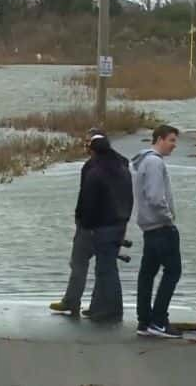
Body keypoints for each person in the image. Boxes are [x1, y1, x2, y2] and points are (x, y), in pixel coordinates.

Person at [50, 131, 133, 321]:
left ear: (92, 149)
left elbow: (87, 200)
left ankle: (78, 302)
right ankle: (98, 306)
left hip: (95, 226)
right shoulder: (122, 166)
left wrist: (83, 222)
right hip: (118, 224)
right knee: (106, 267)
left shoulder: (94, 169)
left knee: (83, 263)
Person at [131, 124, 183, 338]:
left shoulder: (141, 161)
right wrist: (168, 218)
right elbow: (154, 196)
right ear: (160, 139)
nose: (174, 145)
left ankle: (144, 321)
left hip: (148, 226)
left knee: (148, 273)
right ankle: (159, 320)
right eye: (171, 140)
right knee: (173, 271)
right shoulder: (153, 162)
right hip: (160, 226)